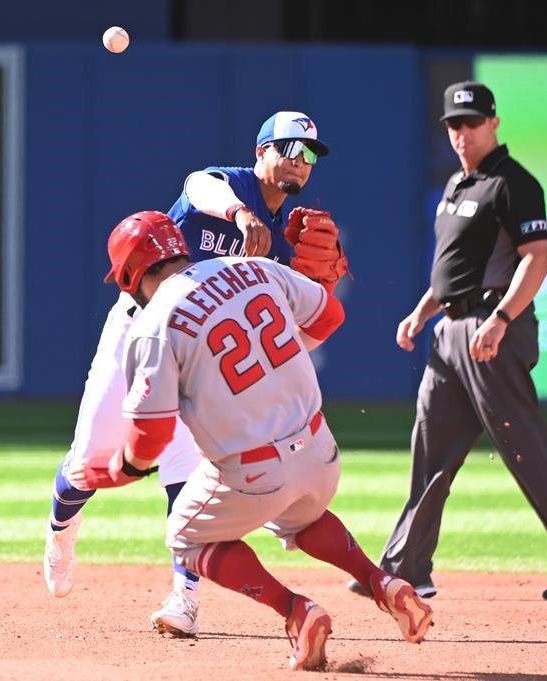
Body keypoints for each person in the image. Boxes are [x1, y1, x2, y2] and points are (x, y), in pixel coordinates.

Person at [75, 210, 432, 671]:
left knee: (185, 538)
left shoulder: (154, 324)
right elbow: (330, 314)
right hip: (321, 453)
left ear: (128, 276)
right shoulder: (251, 267)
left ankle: (295, 611)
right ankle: (381, 582)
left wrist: (123, 469)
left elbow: (154, 432)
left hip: (254, 473)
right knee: (301, 517)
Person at [44, 111, 346, 637]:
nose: (299, 161)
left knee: (186, 469)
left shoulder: (284, 239)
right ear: (260, 153)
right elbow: (196, 183)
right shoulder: (230, 185)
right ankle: (61, 529)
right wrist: (240, 214)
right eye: (288, 148)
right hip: (136, 330)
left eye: (310, 154)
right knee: (89, 455)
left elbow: (294, 322)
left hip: (198, 352)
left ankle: (183, 599)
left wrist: (319, 280)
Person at [350, 81, 547, 602]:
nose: (462, 133)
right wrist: (419, 312)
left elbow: (536, 258)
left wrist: (500, 318)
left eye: (471, 122)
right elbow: (454, 272)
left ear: (494, 122)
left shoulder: (514, 183)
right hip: (449, 332)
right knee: (429, 451)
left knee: (527, 450)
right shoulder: (457, 185)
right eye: (453, 124)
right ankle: (407, 568)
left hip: (492, 329)